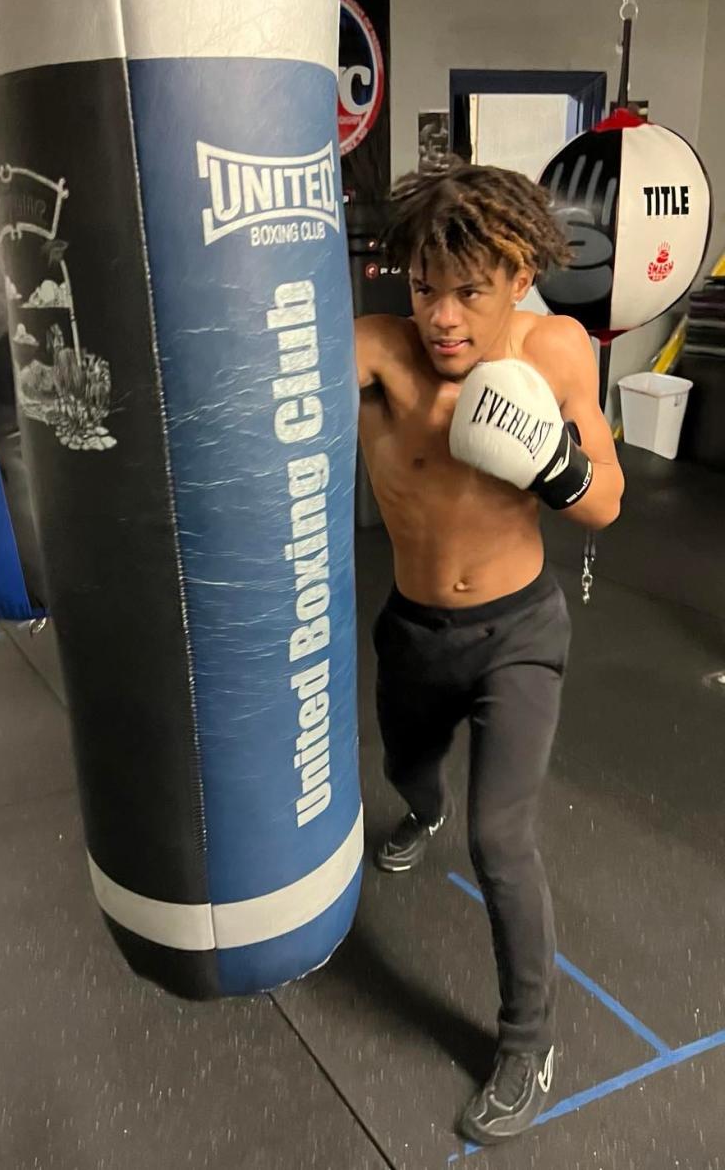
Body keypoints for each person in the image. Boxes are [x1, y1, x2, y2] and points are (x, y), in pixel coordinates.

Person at [355, 159, 624, 1145]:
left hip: (519, 633)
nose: (443, 315)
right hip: (416, 632)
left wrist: (553, 462)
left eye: (469, 289)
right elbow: (275, 387)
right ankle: (417, 808)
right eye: (425, 286)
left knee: (500, 836)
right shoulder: (381, 352)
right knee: (408, 772)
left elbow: (606, 500)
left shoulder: (555, 350)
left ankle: (528, 1039)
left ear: (518, 273)